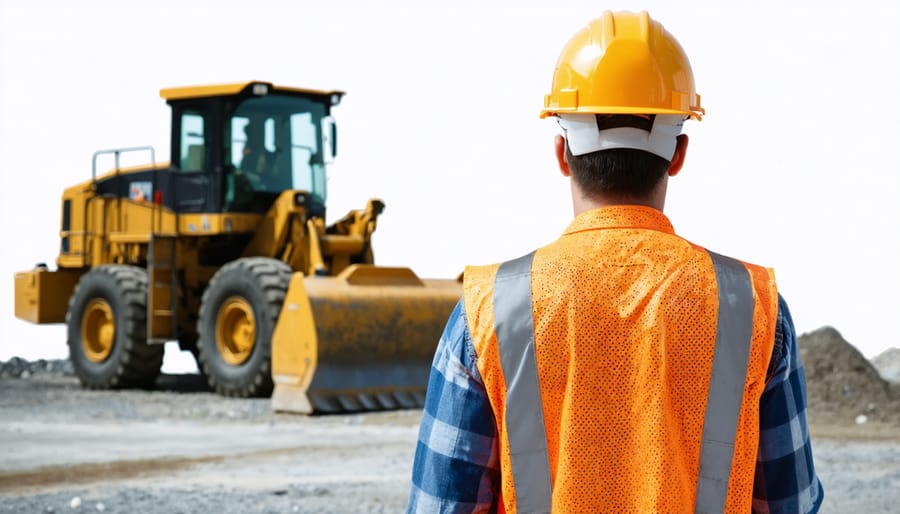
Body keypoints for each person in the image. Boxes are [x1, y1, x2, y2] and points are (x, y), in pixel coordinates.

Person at [407, 10, 823, 514]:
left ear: (561, 153)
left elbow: (439, 504)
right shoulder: (751, 308)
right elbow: (790, 503)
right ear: (678, 154)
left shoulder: (490, 310)